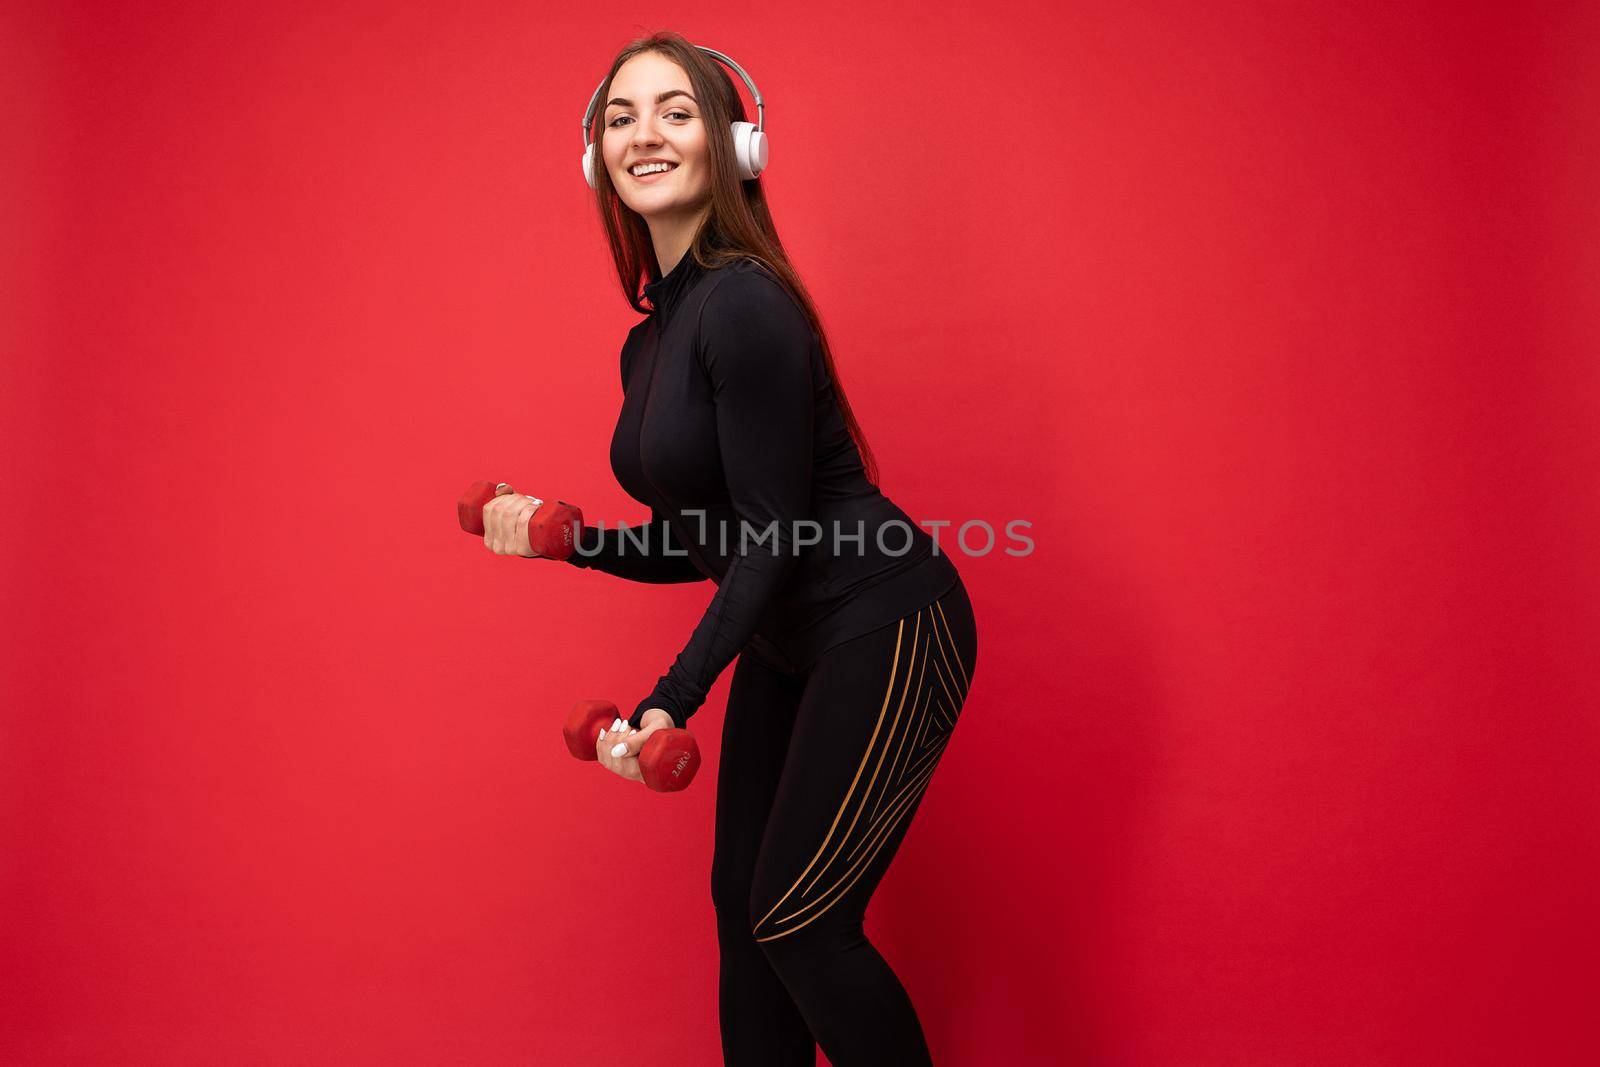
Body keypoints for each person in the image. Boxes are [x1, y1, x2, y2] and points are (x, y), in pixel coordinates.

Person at [480, 31, 979, 1067]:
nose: (643, 134)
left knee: (798, 919)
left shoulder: (746, 303)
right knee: (743, 915)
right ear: (595, 157)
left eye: (674, 110)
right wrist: (568, 542)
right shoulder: (652, 337)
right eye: (620, 117)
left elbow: (769, 534)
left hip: (884, 622)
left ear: (730, 145)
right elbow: (704, 538)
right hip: (794, 634)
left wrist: (672, 693)